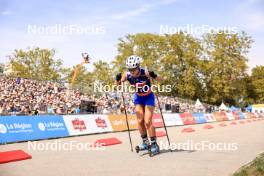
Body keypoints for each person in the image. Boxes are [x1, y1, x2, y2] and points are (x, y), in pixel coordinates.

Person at [115, 55, 162, 154]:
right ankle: (145, 142)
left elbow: (161, 80)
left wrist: (154, 75)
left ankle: (154, 144)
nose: (132, 71)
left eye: (134, 69)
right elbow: (118, 86)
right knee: (140, 120)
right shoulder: (127, 74)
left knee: (148, 121)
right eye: (130, 69)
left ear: (138, 66)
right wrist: (117, 79)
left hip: (148, 97)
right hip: (138, 98)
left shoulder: (145, 72)